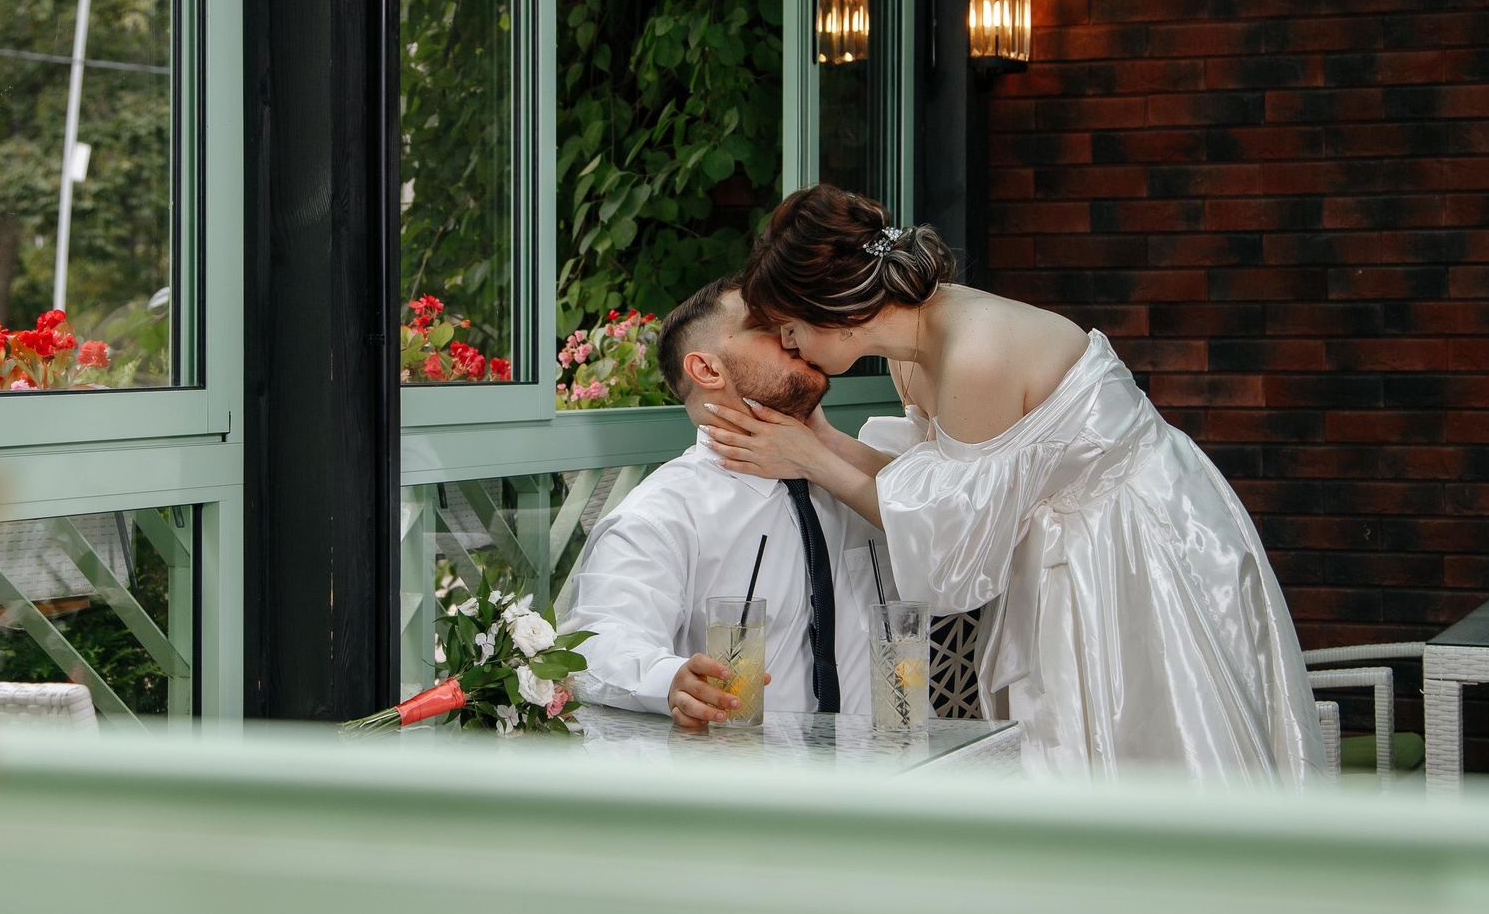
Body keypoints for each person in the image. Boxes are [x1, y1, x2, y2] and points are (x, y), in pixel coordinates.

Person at [702, 184, 1323, 780]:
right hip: (1064, 536)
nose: (787, 343)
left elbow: (952, 546)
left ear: (836, 309)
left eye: (789, 325)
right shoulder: (909, 348)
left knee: (1159, 745)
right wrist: (823, 440)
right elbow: (934, 491)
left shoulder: (975, 355)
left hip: (1130, 541)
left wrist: (812, 461)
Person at [559, 276, 892, 730]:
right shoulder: (662, 514)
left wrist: (828, 449)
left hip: (903, 778)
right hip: (754, 782)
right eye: (767, 326)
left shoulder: (862, 484)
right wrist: (670, 679)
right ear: (708, 371)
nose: (795, 335)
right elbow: (593, 644)